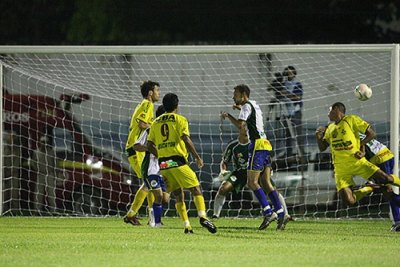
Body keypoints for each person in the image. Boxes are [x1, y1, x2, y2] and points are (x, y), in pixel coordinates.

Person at [147, 93, 217, 234]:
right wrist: (197, 156)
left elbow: (149, 145)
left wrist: (161, 154)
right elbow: (186, 139)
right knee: (196, 188)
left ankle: (187, 226)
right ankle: (203, 217)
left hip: (163, 165)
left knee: (179, 194)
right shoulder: (180, 119)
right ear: (177, 106)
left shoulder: (155, 122)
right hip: (177, 162)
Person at [315, 102, 400, 218]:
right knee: (381, 192)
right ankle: (371, 188)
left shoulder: (351, 121)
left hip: (380, 156)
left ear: (336, 109)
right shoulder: (332, 129)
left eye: (329, 110)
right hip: (351, 166)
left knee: (387, 188)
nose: (327, 114)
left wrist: (362, 148)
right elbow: (323, 146)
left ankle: (397, 221)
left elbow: (370, 135)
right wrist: (318, 135)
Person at [220, 84, 285, 230]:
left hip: (257, 146)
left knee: (252, 182)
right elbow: (251, 115)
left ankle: (268, 212)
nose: (233, 97)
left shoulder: (246, 106)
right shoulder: (254, 104)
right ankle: (280, 213)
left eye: (235, 94)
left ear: (243, 95)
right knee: (266, 182)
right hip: (266, 145)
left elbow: (241, 126)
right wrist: (239, 108)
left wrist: (229, 115)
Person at [212, 128, 291, 229]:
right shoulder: (233, 145)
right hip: (240, 173)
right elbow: (224, 161)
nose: (246, 129)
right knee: (223, 188)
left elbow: (265, 156)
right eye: (243, 127)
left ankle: (284, 214)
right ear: (239, 129)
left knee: (271, 188)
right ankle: (215, 216)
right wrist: (223, 171)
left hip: (256, 171)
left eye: (247, 128)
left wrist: (269, 168)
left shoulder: (256, 144)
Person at [124, 80, 161, 226]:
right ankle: (132, 214)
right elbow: (141, 124)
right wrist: (155, 126)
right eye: (157, 90)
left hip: (138, 146)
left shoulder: (144, 104)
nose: (159, 93)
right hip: (136, 147)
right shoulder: (147, 104)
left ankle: (152, 217)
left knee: (150, 180)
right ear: (150, 93)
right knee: (148, 182)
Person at [132, 105, 169, 227]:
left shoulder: (169, 131)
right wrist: (150, 149)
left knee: (165, 199)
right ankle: (154, 221)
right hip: (151, 168)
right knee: (156, 194)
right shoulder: (150, 130)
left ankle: (136, 215)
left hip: (163, 168)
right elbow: (136, 146)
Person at [361, 134, 400, 232]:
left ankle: (398, 221)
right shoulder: (353, 130)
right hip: (386, 154)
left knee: (387, 191)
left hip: (379, 159)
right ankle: (398, 222)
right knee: (387, 193)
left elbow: (362, 153)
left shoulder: (347, 135)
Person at [30, 135, 61, 214]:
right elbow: (33, 162)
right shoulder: (36, 152)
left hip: (49, 174)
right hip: (40, 174)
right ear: (40, 143)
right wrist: (37, 169)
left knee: (51, 194)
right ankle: (37, 210)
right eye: (42, 142)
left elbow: (56, 163)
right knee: (38, 194)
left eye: (45, 142)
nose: (44, 144)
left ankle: (53, 210)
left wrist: (54, 173)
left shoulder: (51, 152)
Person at [281, 66, 305, 158]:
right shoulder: (283, 84)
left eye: (291, 73)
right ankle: (289, 153)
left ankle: (301, 154)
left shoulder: (297, 84)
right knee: (287, 134)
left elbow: (298, 97)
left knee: (298, 133)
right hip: (286, 112)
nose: (289, 75)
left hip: (295, 112)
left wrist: (286, 94)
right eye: (287, 73)